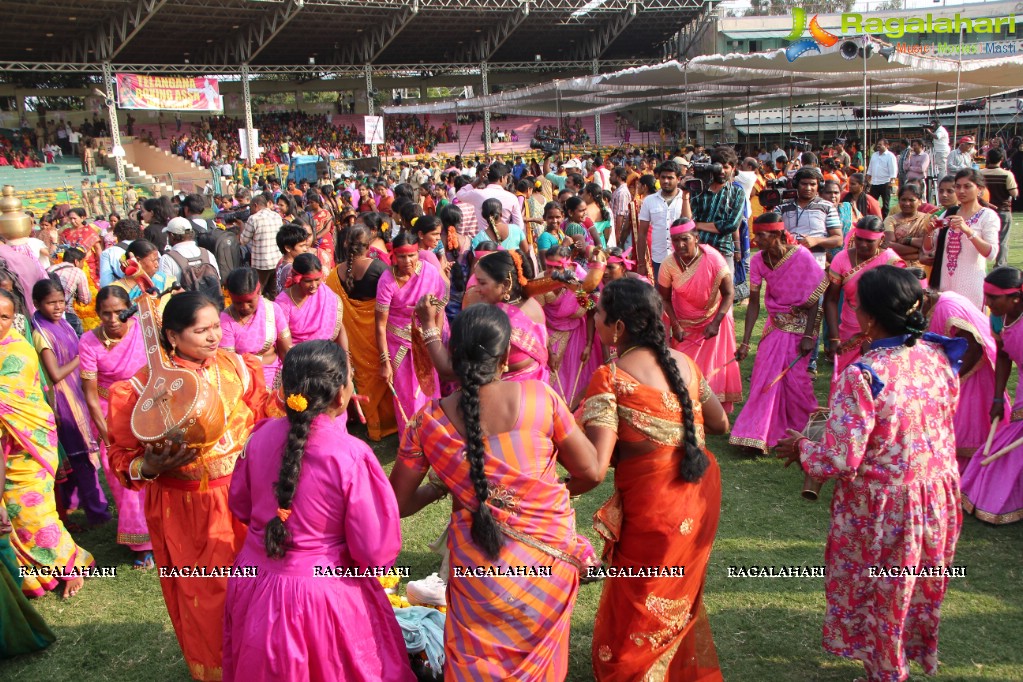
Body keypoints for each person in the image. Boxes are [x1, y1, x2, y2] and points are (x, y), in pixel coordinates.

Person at [390, 305, 600, 680]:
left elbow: (400, 503)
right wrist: (541, 493)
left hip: (477, 576)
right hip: (545, 569)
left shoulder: (427, 423)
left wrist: (446, 483)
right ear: (505, 357)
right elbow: (591, 472)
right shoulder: (542, 398)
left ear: (453, 356)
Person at [777, 265, 964, 682]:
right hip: (934, 499)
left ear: (869, 317)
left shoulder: (864, 375)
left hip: (884, 510)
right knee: (908, 590)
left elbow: (842, 459)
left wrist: (802, 447)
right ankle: (890, 665)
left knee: (883, 594)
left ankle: (885, 673)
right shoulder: (937, 355)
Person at [222, 341, 413, 682]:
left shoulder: (258, 436)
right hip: (322, 596)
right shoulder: (351, 455)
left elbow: (239, 504)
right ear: (341, 395)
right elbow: (374, 549)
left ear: (283, 393)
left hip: (253, 583)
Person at [107, 292, 268, 681]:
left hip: (245, 498)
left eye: (216, 326)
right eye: (202, 330)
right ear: (173, 337)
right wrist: (150, 465)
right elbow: (121, 458)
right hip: (186, 509)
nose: (214, 337)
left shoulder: (236, 367)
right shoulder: (142, 389)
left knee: (258, 588)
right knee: (209, 599)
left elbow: (265, 413)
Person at [579, 277, 728, 680]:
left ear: (619, 328)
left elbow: (595, 463)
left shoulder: (611, 377)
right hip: (698, 496)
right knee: (674, 593)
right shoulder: (687, 365)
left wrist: (555, 488)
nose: (594, 318)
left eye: (599, 314)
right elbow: (720, 421)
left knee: (641, 594)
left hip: (656, 506)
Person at [0, 288, 95, 599]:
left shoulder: (17, 352)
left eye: (4, 316)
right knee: (9, 518)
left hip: (24, 446)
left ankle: (72, 567)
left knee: (31, 512)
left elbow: (8, 402)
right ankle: (28, 579)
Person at [730, 215, 826, 453]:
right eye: (755, 234)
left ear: (778, 235)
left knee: (796, 383)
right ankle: (755, 434)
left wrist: (807, 337)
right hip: (775, 326)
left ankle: (806, 432)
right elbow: (753, 303)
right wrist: (744, 342)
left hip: (800, 329)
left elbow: (815, 300)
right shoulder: (759, 261)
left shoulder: (801, 256)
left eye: (761, 235)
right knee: (764, 379)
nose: (755, 239)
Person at [79, 286, 153, 568]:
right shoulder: (88, 341)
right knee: (119, 473)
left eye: (118, 312)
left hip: (145, 406)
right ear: (97, 314)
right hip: (110, 412)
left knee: (151, 469)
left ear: (129, 309)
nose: (112, 319)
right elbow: (90, 394)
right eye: (105, 313)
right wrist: (108, 437)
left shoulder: (144, 330)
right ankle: (140, 543)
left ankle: (159, 530)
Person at [31, 279, 108, 526]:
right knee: (81, 458)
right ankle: (97, 512)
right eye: (50, 303)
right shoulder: (41, 332)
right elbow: (55, 374)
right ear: (36, 304)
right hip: (63, 400)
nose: (56, 307)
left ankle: (74, 505)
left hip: (76, 393)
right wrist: (81, 356)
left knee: (80, 459)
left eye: (60, 302)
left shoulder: (61, 323)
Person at [918, 279, 1008, 474]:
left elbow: (972, 349)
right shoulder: (938, 303)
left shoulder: (949, 308)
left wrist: (948, 382)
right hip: (957, 375)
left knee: (968, 435)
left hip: (971, 378)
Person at [960, 266, 1023, 525]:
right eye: (986, 296)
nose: (987, 302)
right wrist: (998, 398)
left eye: (993, 298)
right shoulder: (998, 318)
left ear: (1015, 298)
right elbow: (1005, 356)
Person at [658, 218, 741, 411]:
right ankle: (689, 406)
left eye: (685, 239)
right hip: (683, 324)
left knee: (713, 367)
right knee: (684, 367)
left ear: (696, 238)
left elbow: (729, 293)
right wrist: (676, 325)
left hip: (712, 320)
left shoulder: (713, 258)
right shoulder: (668, 265)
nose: (680, 245)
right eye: (675, 240)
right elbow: (664, 299)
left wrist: (716, 322)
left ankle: (713, 410)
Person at [326, 225, 396, 442]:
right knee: (382, 373)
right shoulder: (379, 269)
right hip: (378, 334)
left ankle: (371, 423)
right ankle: (388, 423)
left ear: (346, 244)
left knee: (363, 375)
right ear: (369, 245)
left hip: (352, 338)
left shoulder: (334, 274)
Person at [376, 231, 449, 436]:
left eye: (411, 255)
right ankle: (411, 440)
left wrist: (436, 338)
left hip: (426, 341)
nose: (407, 261)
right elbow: (380, 325)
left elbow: (439, 308)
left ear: (418, 253)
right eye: (401, 256)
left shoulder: (430, 273)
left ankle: (433, 434)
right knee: (407, 396)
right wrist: (384, 362)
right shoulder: (386, 280)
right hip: (397, 345)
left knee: (429, 390)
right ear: (393, 256)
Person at [824, 217, 904, 377]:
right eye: (859, 239)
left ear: (881, 239)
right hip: (848, 330)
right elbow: (831, 299)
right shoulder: (842, 258)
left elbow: (897, 303)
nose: (862, 244)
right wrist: (833, 337)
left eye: (869, 241)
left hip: (881, 333)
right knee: (845, 381)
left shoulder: (891, 261)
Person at [922, 171, 998, 310]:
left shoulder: (987, 216)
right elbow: (928, 249)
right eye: (958, 187)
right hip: (946, 282)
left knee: (968, 327)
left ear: (979, 189)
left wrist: (968, 230)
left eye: (967, 186)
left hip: (971, 283)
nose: (961, 191)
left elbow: (991, 253)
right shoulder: (949, 213)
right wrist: (929, 232)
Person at [538, 247, 599, 408]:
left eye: (557, 267)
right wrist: (550, 351)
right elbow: (538, 319)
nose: (552, 271)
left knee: (576, 383)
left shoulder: (578, 282)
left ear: (569, 264)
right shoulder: (540, 283)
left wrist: (589, 344)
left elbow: (591, 309)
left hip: (577, 334)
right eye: (548, 266)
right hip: (548, 334)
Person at [221, 268, 292, 389]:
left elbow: (286, 351)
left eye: (250, 301)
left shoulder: (272, 310)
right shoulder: (225, 321)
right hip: (246, 380)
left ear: (259, 292)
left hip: (276, 376)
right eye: (238, 303)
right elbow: (230, 365)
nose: (245, 307)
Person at [274, 253, 349, 353]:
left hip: (325, 355)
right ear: (296, 278)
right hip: (297, 358)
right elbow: (283, 346)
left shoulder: (325, 294)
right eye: (308, 281)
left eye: (317, 280)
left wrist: (346, 360)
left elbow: (339, 327)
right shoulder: (282, 303)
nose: (313, 285)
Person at [690, 148, 745, 275]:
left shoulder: (737, 192)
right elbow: (689, 220)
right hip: (699, 251)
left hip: (723, 251)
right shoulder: (699, 189)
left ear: (733, 168)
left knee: (726, 292)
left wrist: (698, 225)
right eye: (718, 167)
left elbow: (731, 225)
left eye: (726, 167)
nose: (722, 171)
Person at [778, 168, 843, 268]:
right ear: (796, 184)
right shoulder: (781, 207)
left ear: (819, 186)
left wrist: (816, 241)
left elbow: (838, 240)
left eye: (812, 184)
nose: (808, 188)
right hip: (786, 261)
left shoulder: (828, 207)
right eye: (804, 184)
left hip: (815, 264)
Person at [637, 160, 687, 279]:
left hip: (682, 258)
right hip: (659, 259)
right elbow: (642, 233)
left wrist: (686, 198)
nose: (665, 181)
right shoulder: (649, 201)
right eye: (663, 177)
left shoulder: (685, 200)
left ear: (678, 179)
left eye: (670, 178)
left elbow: (688, 224)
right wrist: (641, 263)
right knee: (661, 295)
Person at [111, 240, 177, 316]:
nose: (157, 265)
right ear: (138, 261)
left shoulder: (165, 281)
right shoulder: (115, 290)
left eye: (157, 260)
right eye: (154, 260)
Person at [979, 148, 1018, 267]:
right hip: (1002, 210)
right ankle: (1000, 266)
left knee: (980, 239)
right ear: (1001, 159)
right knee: (1002, 241)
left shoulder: (980, 174)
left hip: (983, 211)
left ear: (988, 158)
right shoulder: (1007, 174)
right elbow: (1014, 193)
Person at [883, 183, 932, 272]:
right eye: (903, 200)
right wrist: (919, 251)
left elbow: (928, 244)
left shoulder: (927, 219)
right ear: (899, 200)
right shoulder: (890, 220)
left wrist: (906, 241)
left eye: (911, 200)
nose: (907, 203)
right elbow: (890, 246)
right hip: (896, 267)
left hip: (920, 270)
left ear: (920, 201)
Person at [241, 194, 285, 292]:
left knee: (258, 291)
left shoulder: (253, 218)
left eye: (251, 207)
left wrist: (240, 225)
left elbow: (243, 241)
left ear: (255, 205)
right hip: (277, 261)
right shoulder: (277, 216)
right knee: (274, 292)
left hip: (261, 264)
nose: (250, 211)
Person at [865, 140, 898, 219]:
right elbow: (870, 168)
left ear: (886, 146)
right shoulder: (874, 155)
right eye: (878, 144)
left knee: (885, 205)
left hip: (886, 183)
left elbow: (893, 170)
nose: (878, 146)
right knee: (872, 202)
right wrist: (868, 178)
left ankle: (885, 220)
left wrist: (891, 182)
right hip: (875, 183)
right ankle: (872, 219)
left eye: (880, 144)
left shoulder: (890, 156)